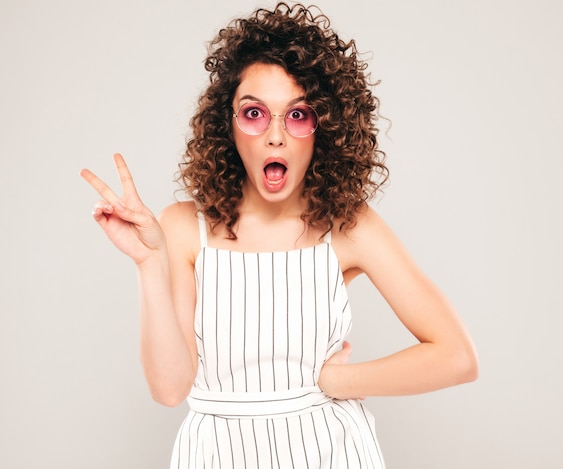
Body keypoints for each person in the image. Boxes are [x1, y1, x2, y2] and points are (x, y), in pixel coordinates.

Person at [80, 3, 478, 468]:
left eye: (298, 115)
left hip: (331, 452)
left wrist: (341, 383)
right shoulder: (184, 228)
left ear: (324, 127)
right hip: (216, 455)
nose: (275, 136)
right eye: (254, 113)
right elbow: (170, 389)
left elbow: (457, 357)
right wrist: (149, 263)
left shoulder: (350, 226)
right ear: (227, 126)